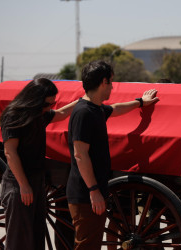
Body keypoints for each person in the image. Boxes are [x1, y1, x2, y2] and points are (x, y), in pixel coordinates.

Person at [66, 60, 159, 249]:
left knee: (91, 243)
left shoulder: (96, 108)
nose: (113, 87)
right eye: (111, 82)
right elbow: (80, 155)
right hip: (85, 194)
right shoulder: (84, 112)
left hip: (92, 191)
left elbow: (116, 109)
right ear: (103, 82)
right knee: (87, 245)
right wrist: (93, 191)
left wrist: (140, 102)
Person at [0, 78, 79, 250]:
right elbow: (10, 152)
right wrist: (24, 185)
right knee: (18, 242)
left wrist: (82, 101)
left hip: (36, 181)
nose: (49, 108)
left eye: (52, 104)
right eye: (46, 104)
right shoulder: (13, 115)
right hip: (18, 184)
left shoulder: (39, 114)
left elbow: (62, 113)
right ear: (34, 100)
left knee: (36, 238)